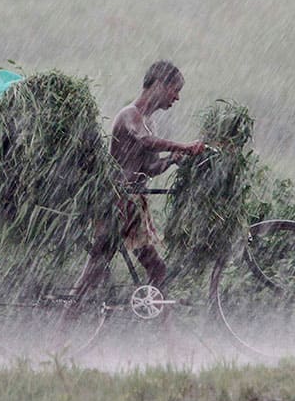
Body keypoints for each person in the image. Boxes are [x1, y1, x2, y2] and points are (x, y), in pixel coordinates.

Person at [65, 60, 204, 315]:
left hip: (131, 202)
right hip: (119, 202)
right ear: (160, 85)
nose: (177, 97)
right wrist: (183, 147)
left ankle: (63, 329)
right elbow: (146, 141)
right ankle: (168, 337)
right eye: (175, 90)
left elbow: (149, 167)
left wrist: (172, 161)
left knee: (98, 268)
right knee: (146, 269)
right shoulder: (130, 115)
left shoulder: (149, 121)